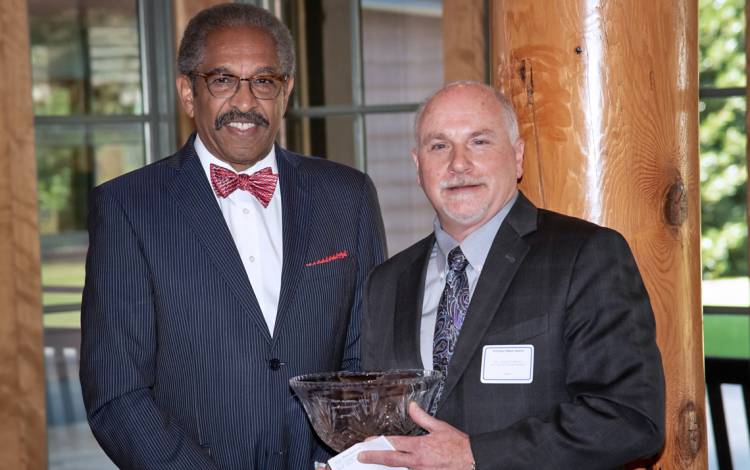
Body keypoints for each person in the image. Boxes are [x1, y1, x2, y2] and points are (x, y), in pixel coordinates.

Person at [79, 3, 386, 469]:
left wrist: (348, 461)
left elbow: (366, 361)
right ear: (188, 93)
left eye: (264, 81)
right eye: (223, 80)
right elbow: (117, 395)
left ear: (287, 92)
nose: (245, 103)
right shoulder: (128, 207)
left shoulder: (348, 197)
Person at [358, 81, 665, 469]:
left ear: (517, 156)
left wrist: (476, 455)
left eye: (479, 142)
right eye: (439, 146)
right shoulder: (386, 283)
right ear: (418, 166)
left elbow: (630, 419)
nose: (458, 163)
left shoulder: (585, 255)